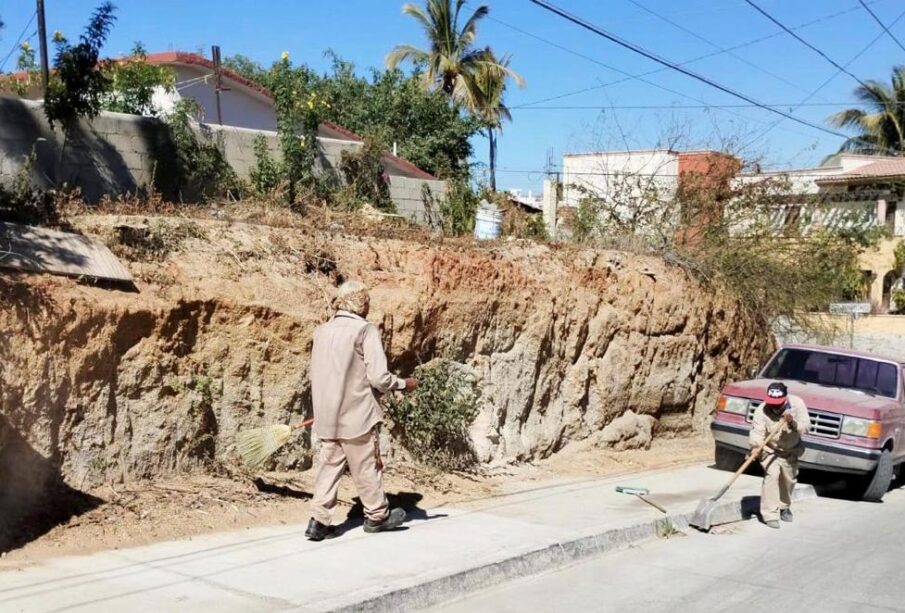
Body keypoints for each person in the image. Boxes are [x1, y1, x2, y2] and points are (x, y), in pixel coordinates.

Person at [305, 280, 417, 541]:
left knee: (329, 467)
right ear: (361, 302)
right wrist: (403, 384)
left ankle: (318, 521)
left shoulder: (322, 331)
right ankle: (377, 516)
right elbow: (378, 378)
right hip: (356, 414)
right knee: (366, 465)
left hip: (327, 416)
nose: (368, 306)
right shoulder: (364, 330)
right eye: (366, 301)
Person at [749, 381, 811, 529]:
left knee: (788, 480)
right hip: (771, 450)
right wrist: (756, 446)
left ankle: (784, 507)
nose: (774, 407)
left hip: (791, 450)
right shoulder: (762, 410)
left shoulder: (797, 404)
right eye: (772, 403)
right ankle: (770, 514)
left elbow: (806, 426)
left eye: (778, 403)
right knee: (772, 476)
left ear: (785, 398)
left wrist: (792, 423)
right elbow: (757, 432)